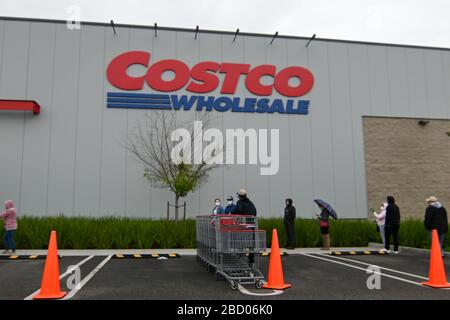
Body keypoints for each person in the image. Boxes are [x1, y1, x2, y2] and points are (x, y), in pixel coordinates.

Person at [232, 189, 257, 265]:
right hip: (251, 225)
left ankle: (240, 259)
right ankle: (251, 260)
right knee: (251, 243)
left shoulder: (239, 202)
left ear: (239, 196)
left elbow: (238, 210)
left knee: (241, 241)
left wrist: (232, 213)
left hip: (243, 225)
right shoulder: (251, 203)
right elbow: (255, 212)